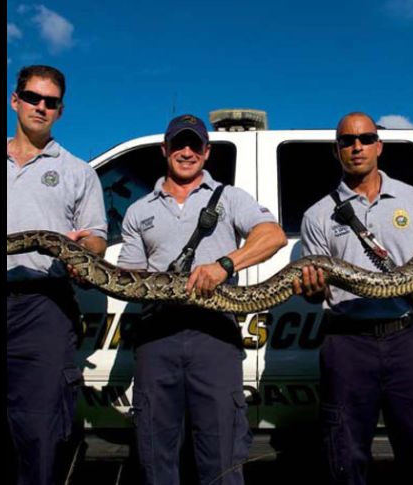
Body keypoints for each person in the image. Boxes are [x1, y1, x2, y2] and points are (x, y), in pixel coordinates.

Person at [117, 113, 287, 485]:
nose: (187, 151)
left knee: (221, 455)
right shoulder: (138, 211)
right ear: (165, 150)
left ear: (207, 152)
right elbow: (130, 278)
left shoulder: (231, 197)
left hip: (214, 336)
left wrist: (226, 264)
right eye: (179, 144)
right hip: (156, 336)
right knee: (155, 454)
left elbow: (273, 235)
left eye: (195, 144)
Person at [293, 112, 413, 485]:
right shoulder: (317, 214)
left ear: (379, 146)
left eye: (366, 138)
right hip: (347, 342)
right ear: (336, 150)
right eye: (347, 141)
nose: (357, 147)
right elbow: (317, 292)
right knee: (345, 454)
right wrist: (311, 288)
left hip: (408, 336)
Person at [7, 65, 108, 484]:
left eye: (51, 103)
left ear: (60, 111)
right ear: (15, 100)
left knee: (39, 430)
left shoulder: (77, 171)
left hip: (43, 304)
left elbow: (97, 239)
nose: (41, 107)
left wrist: (82, 253)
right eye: (33, 98)